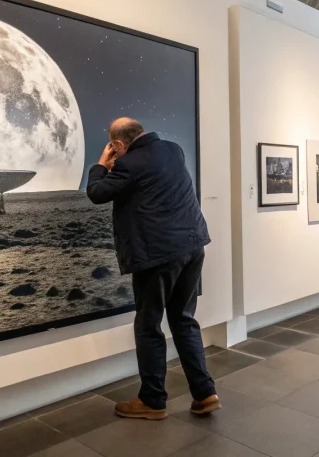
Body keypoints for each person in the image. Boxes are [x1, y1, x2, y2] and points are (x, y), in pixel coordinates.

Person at [87, 118, 217, 420]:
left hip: (158, 255)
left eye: (114, 147)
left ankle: (153, 400)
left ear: (118, 145)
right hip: (192, 246)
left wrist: (102, 164)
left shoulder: (128, 164)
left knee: (148, 326)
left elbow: (96, 193)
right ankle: (205, 393)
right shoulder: (174, 150)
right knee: (184, 320)